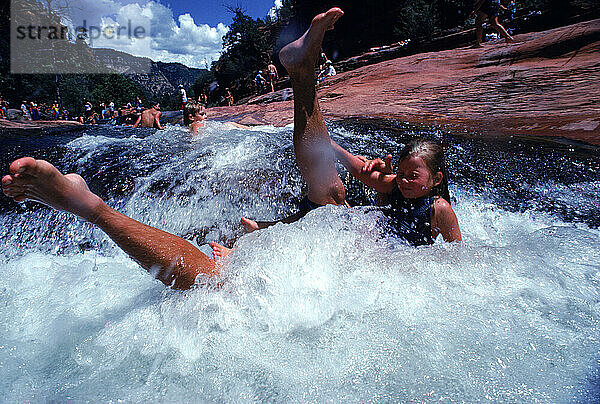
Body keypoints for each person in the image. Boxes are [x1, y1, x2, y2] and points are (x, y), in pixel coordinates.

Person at [2, 8, 404, 291]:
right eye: (399, 171)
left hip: (326, 244)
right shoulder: (408, 217)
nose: (391, 172)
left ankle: (93, 208)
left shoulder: (430, 214)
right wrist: (362, 167)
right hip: (335, 243)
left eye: (406, 174)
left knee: (222, 283)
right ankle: (93, 208)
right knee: (227, 280)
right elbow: (333, 154)